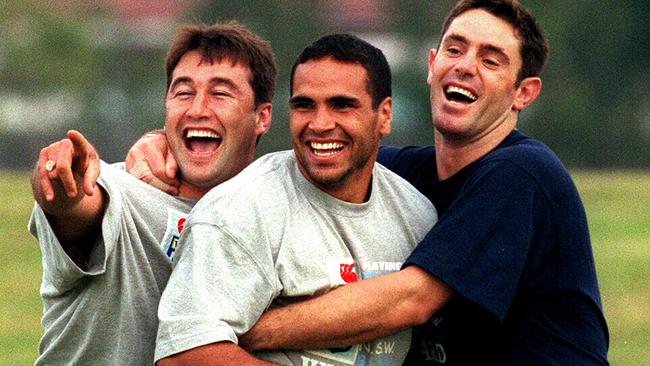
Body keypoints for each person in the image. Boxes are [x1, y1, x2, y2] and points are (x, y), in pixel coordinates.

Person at [235, 0, 609, 364]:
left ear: (523, 93)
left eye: (490, 60)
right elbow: (312, 161)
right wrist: (187, 161)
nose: (465, 66)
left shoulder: (522, 173)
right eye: (455, 49)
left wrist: (243, 332)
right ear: (433, 64)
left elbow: (411, 300)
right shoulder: (404, 173)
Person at [152, 34, 437, 365]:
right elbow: (182, 354)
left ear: (385, 115)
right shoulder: (239, 211)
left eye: (342, 105)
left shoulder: (417, 214)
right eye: (304, 105)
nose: (320, 124)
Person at [28, 22, 276, 365]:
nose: (197, 109)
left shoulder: (276, 214)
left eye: (221, 94)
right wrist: (61, 183)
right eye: (183, 92)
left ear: (262, 117)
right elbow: (81, 206)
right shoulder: (123, 192)